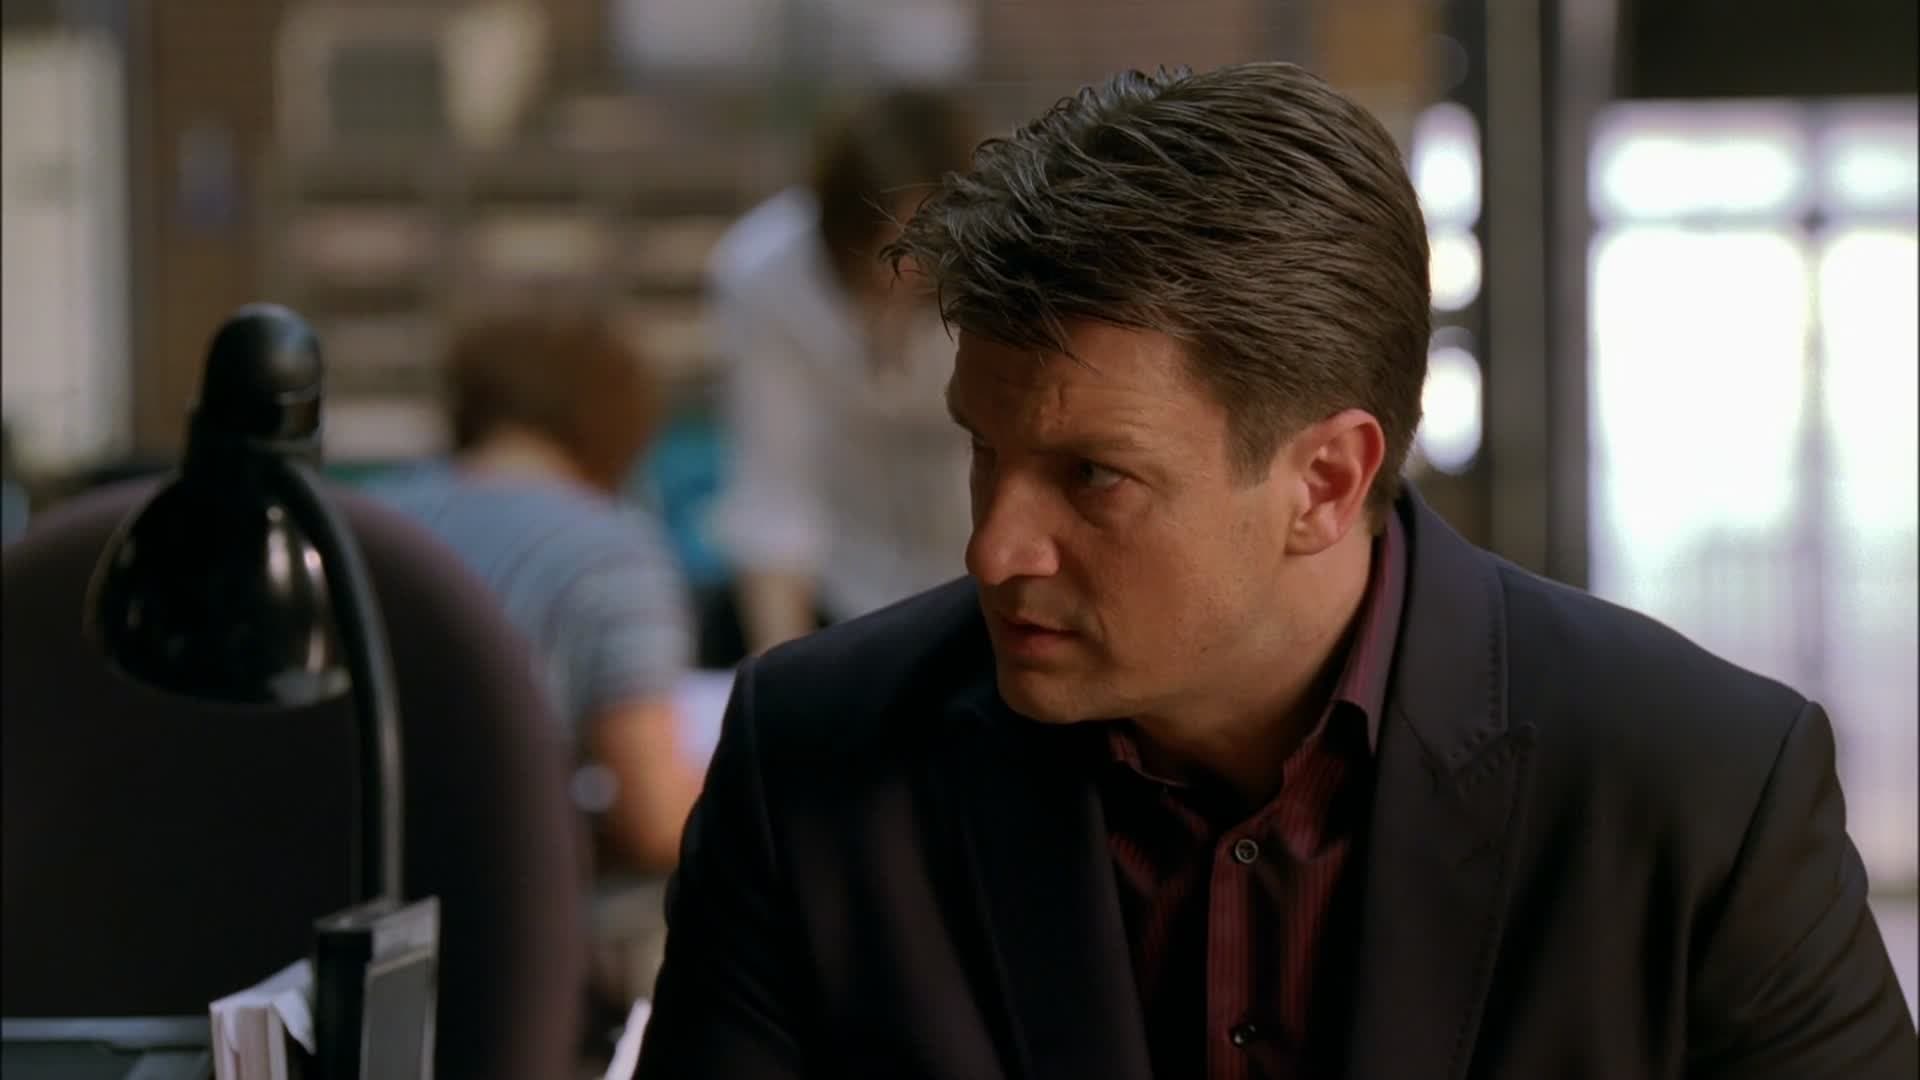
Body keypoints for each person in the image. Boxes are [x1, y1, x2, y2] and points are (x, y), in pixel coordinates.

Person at [634, 63, 1918, 1080]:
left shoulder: (1697, 787)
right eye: (985, 452)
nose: (994, 550)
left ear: (1325, 482)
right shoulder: (813, 765)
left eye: (1094, 476)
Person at [372, 307, 704, 875]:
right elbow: (654, 819)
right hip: (498, 891)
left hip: (350, 876)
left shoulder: (371, 515)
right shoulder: (610, 550)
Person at [705, 86, 981, 658]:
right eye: (883, 249)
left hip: (977, 576)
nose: (904, 271)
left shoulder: (1001, 267)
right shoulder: (764, 272)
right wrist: (783, 675)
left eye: (925, 247)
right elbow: (774, 492)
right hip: (842, 579)